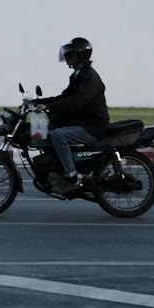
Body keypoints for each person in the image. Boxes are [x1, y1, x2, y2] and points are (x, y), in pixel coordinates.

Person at [40, 36, 110, 195]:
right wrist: (39, 102)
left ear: (81, 57)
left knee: (58, 136)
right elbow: (64, 96)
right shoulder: (78, 75)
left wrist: (49, 107)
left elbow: (76, 101)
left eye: (70, 55)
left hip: (92, 126)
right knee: (50, 130)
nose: (66, 58)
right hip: (81, 122)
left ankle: (72, 176)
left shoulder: (90, 77)